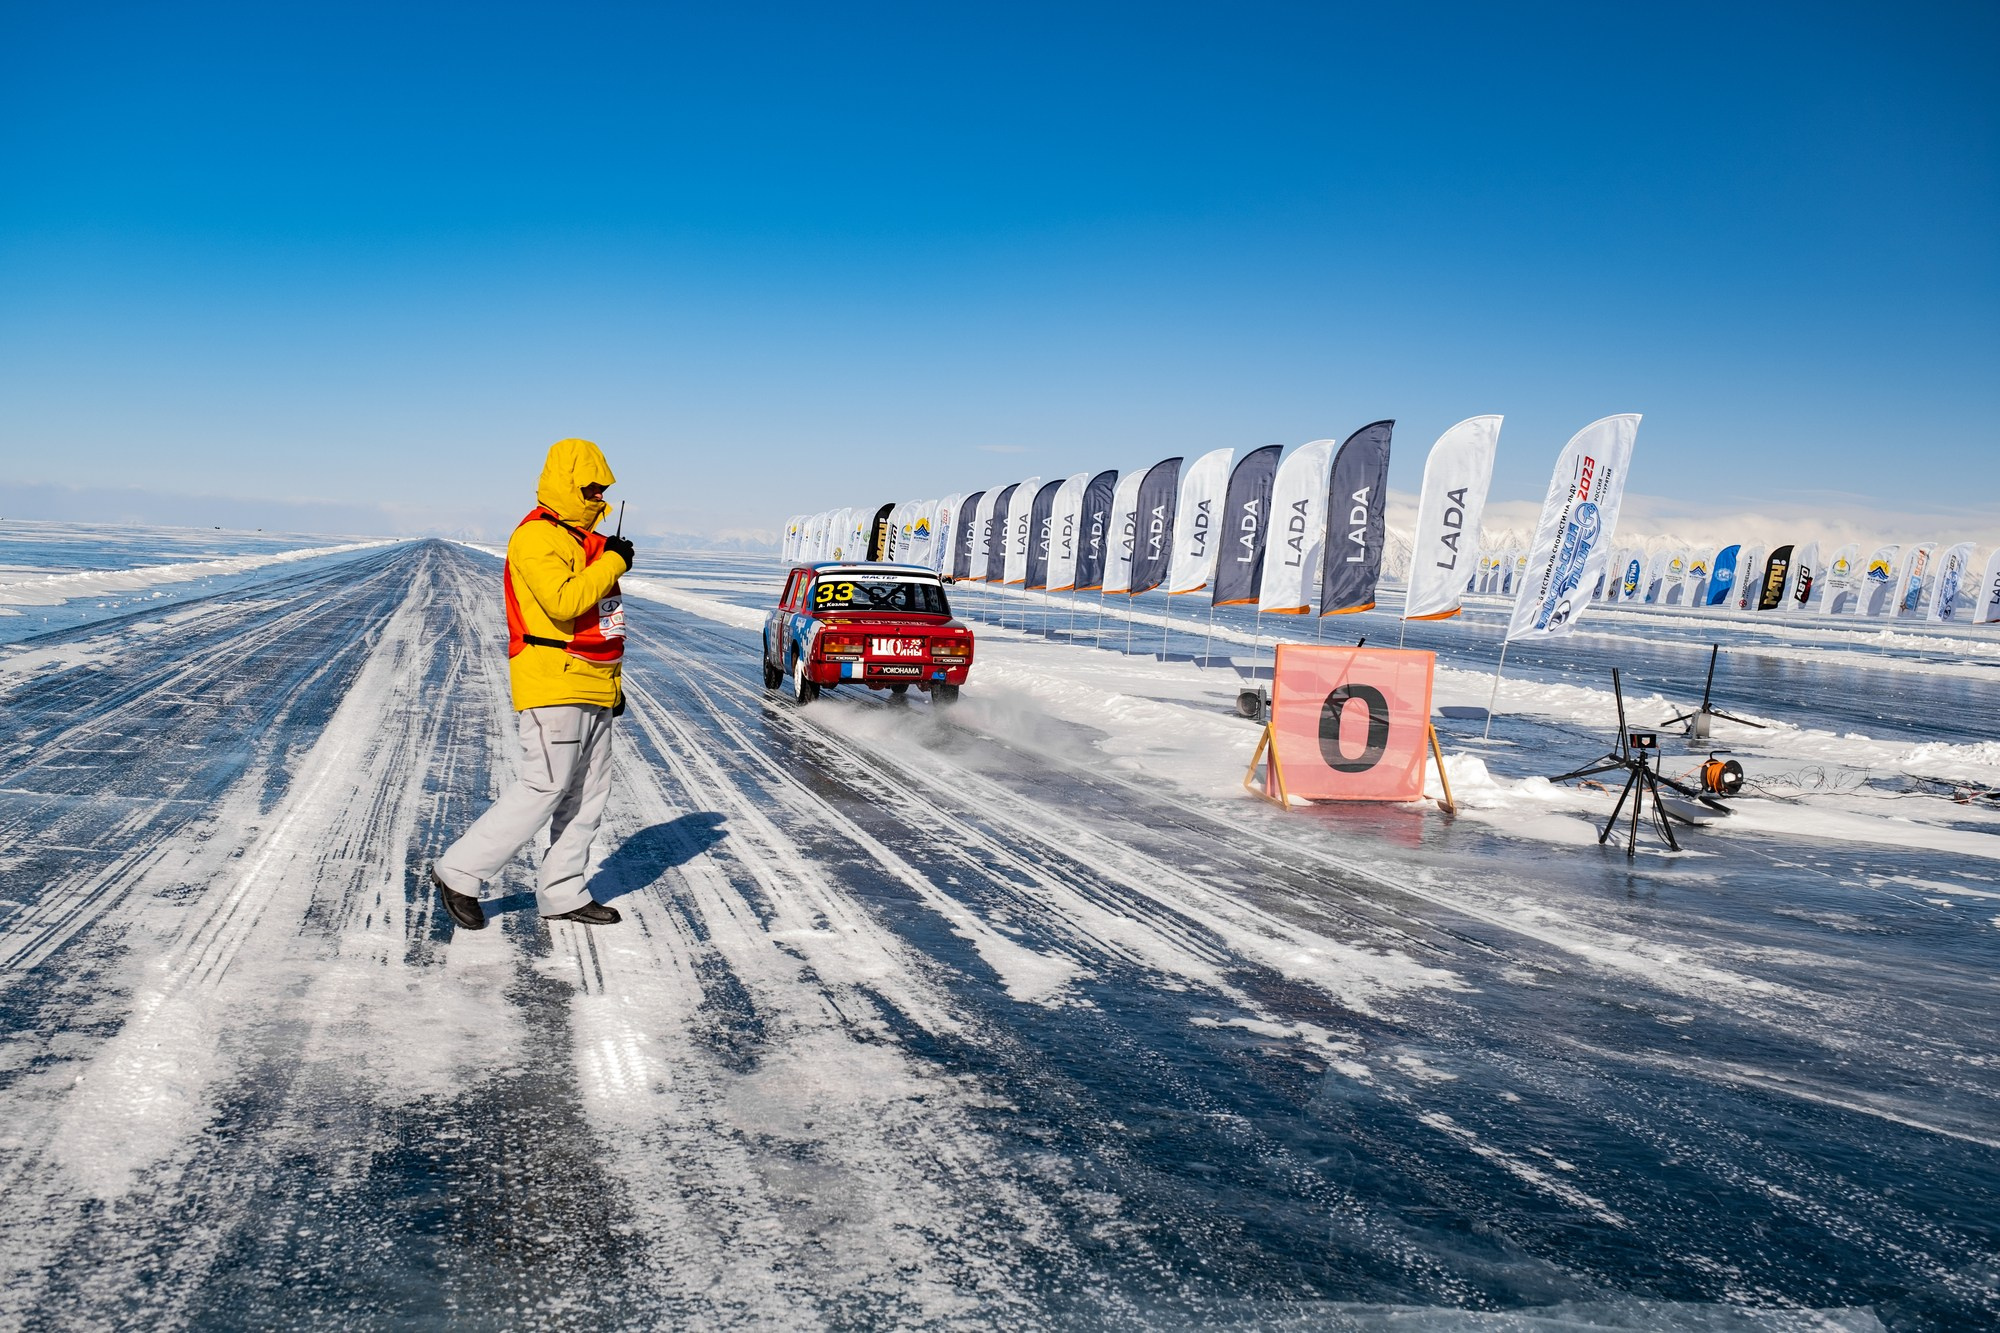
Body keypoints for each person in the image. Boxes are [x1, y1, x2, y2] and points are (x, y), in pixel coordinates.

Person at [430, 437, 637, 929]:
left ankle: (562, 893)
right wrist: (613, 562)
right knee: (542, 786)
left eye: (602, 488)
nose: (598, 496)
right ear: (566, 482)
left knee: (587, 795)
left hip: (593, 682)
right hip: (553, 681)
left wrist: (613, 685)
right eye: (589, 487)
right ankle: (459, 872)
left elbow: (603, 620)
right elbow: (563, 602)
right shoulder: (536, 538)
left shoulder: (581, 542)